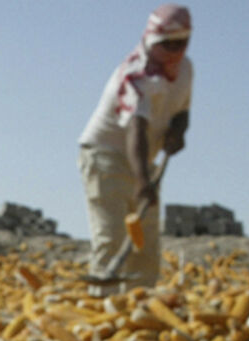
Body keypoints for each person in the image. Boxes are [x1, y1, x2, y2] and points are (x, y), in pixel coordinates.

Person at [78, 4, 192, 295]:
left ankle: (139, 305)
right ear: (152, 41)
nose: (174, 52)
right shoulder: (135, 75)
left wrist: (177, 134)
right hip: (105, 154)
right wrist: (143, 181)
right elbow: (136, 131)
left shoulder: (185, 70)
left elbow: (181, 112)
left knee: (146, 242)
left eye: (181, 44)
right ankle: (102, 303)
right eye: (167, 45)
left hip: (144, 160)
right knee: (113, 234)